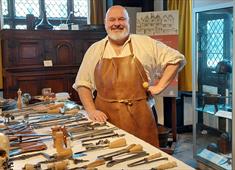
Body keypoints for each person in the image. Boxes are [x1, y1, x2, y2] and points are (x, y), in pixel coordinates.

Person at [73, 5, 186, 147]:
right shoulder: (95, 49)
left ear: (128, 21)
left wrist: (159, 87)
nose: (116, 24)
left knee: (144, 158)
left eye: (121, 19)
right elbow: (83, 83)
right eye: (112, 20)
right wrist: (91, 110)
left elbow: (175, 59)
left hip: (141, 118)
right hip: (105, 120)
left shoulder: (145, 43)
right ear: (106, 23)